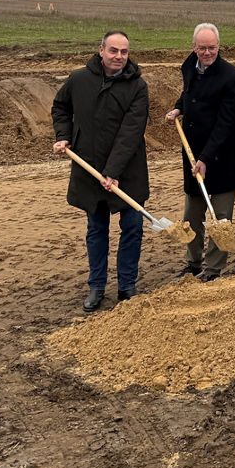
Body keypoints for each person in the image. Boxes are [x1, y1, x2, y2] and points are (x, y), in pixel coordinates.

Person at [52, 30, 150, 312]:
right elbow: (60, 107)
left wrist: (114, 170)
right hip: (89, 168)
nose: (119, 57)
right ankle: (96, 286)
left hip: (128, 170)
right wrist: (64, 134)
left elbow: (131, 132)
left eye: (124, 52)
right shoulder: (78, 79)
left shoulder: (137, 86)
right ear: (101, 51)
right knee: (96, 229)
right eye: (114, 51)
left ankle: (127, 286)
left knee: (132, 228)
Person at [165, 23, 235, 282]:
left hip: (220, 156)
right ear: (194, 47)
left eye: (212, 47)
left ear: (219, 46)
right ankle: (193, 263)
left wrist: (206, 158)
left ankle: (212, 270)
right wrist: (179, 108)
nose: (207, 52)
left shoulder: (231, 77)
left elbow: (226, 123)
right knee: (192, 216)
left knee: (220, 218)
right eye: (202, 48)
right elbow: (189, 93)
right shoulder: (190, 66)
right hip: (192, 153)